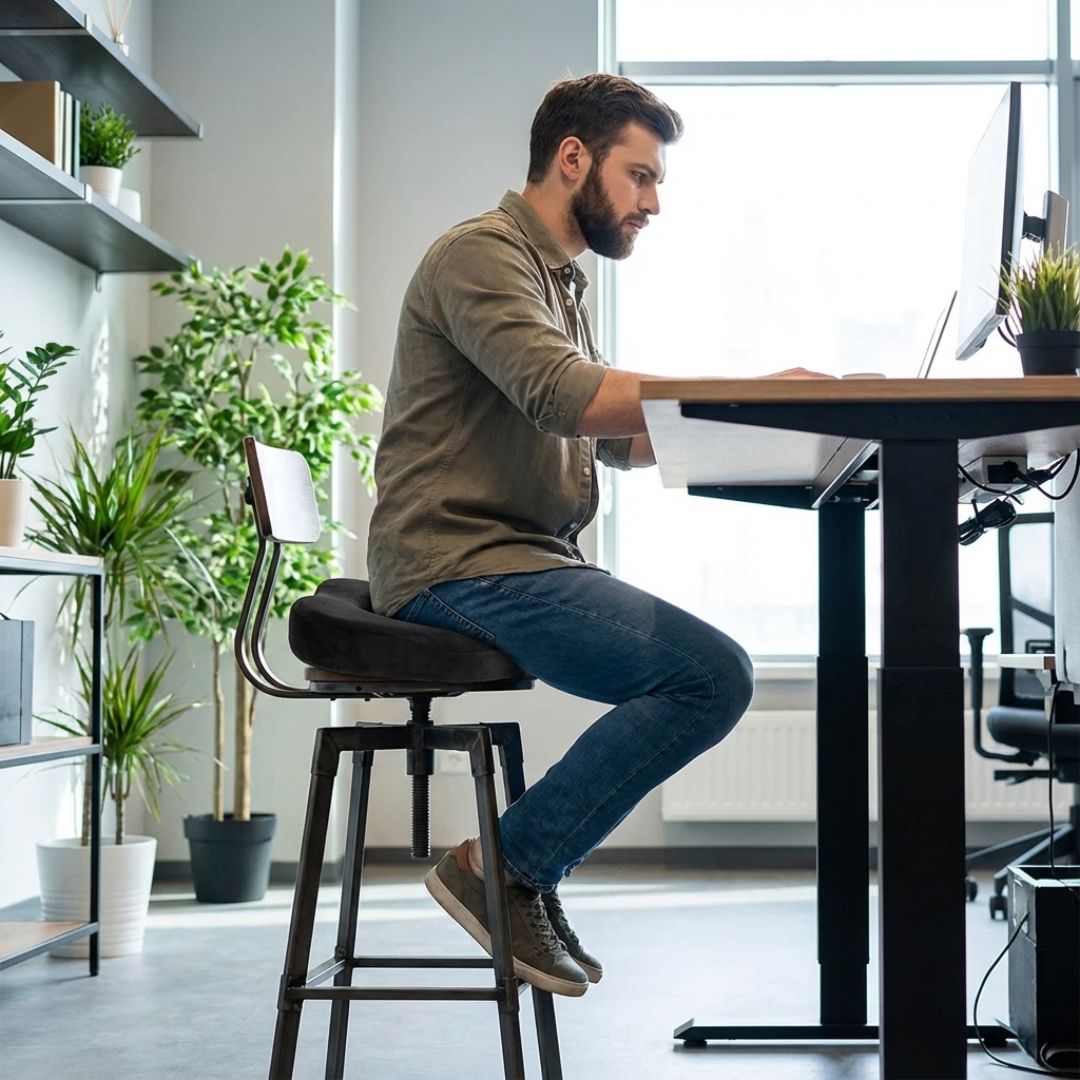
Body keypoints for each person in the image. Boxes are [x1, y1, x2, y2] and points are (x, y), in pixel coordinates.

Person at [368, 73, 811, 998]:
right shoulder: (480, 256)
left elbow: (607, 436)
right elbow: (565, 396)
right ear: (573, 158)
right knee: (710, 676)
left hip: (506, 560)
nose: (653, 203)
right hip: (458, 565)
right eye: (641, 176)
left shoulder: (558, 279)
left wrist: (755, 425)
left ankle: (515, 869)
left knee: (706, 674)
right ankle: (504, 867)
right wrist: (749, 394)